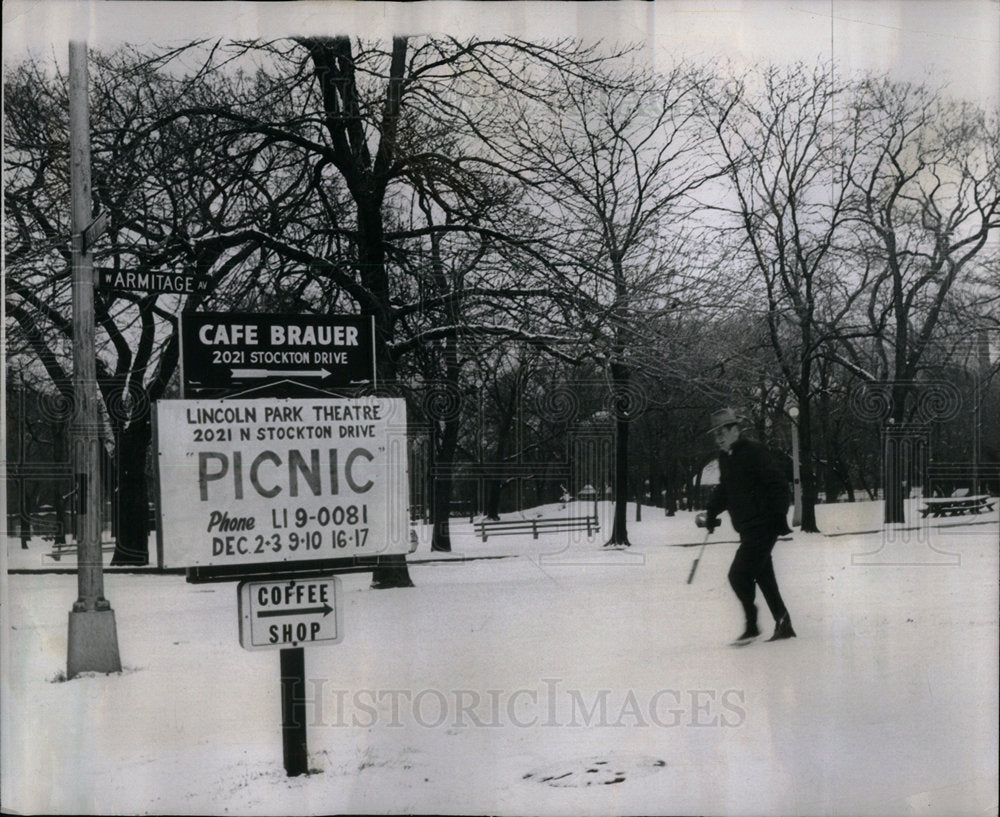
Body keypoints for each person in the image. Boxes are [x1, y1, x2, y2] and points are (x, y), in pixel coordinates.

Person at [698, 407, 796, 644]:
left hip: (764, 525)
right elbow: (725, 489)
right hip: (747, 527)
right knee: (763, 576)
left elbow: (779, 484)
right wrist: (711, 511)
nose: (719, 437)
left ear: (735, 430)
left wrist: (778, 517)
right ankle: (783, 624)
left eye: (723, 431)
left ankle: (752, 624)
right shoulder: (725, 458)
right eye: (715, 433)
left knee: (738, 575)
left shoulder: (753, 452)